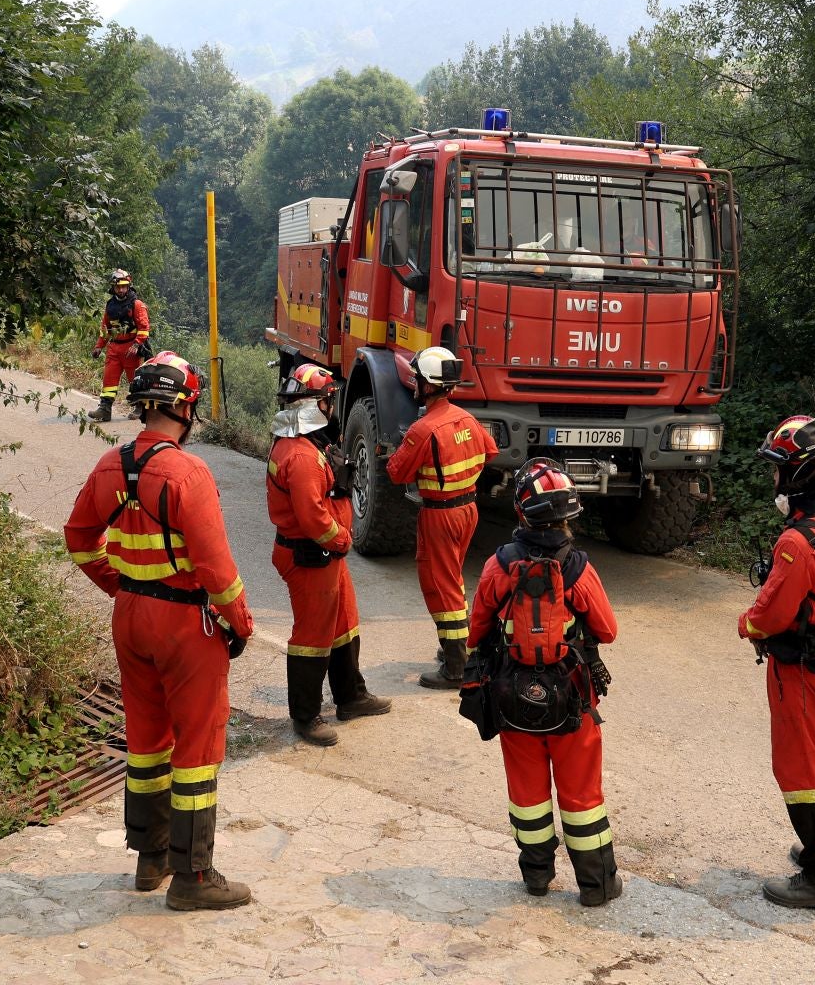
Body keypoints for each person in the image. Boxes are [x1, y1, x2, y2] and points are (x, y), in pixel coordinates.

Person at [64, 350, 255, 911]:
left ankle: (150, 861)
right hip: (184, 623)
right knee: (196, 746)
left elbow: (78, 540)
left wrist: (122, 586)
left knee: (147, 741)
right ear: (186, 407)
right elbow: (218, 573)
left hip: (131, 617)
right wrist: (239, 623)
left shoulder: (108, 465)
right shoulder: (188, 472)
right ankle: (193, 879)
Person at [466, 458, 622, 906]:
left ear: (520, 512)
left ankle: (536, 878)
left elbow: (477, 629)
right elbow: (608, 630)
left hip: (513, 699)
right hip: (573, 698)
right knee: (582, 796)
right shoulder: (577, 568)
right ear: (567, 518)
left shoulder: (500, 565)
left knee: (528, 794)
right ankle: (597, 887)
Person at [738, 413, 815, 913]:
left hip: (799, 668)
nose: (773, 478)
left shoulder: (795, 543)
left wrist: (746, 624)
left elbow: (771, 615)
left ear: (793, 475)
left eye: (777, 469)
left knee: (799, 767)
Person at [267, 362, 392, 745]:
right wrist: (342, 539)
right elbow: (313, 519)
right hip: (312, 554)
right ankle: (305, 716)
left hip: (324, 556)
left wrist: (337, 488)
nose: (332, 407)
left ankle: (351, 695)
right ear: (317, 405)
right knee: (312, 635)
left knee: (343, 624)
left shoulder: (307, 446)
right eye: (328, 400)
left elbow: (319, 500)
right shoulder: (302, 457)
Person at [385, 345, 498, 688]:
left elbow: (395, 472)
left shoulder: (423, 429)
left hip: (441, 516)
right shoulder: (466, 418)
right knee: (454, 580)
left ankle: (455, 667)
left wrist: (400, 446)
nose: (415, 383)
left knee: (440, 586)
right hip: (467, 510)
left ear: (429, 386)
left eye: (418, 379)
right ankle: (457, 645)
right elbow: (490, 451)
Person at [94, 268, 152, 422]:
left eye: (124, 286)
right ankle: (105, 409)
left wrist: (137, 344)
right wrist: (99, 346)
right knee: (109, 379)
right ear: (113, 287)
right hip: (114, 348)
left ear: (129, 286)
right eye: (118, 287)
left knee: (135, 379)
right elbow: (105, 329)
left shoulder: (137, 304)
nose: (121, 289)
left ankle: (140, 407)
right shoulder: (110, 305)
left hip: (131, 348)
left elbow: (144, 328)